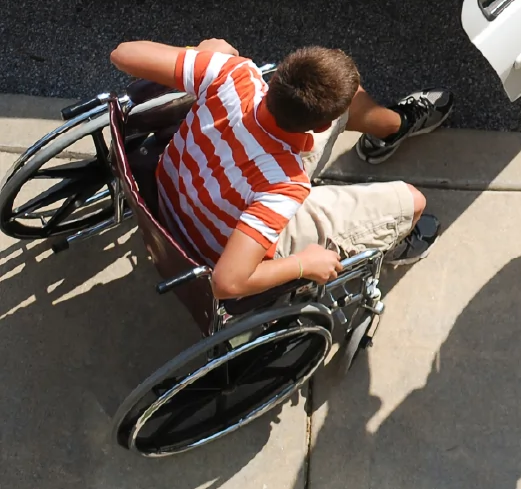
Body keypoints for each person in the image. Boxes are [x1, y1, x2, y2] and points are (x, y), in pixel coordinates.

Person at [109, 37, 454, 298]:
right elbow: (227, 283)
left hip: (173, 198)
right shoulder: (283, 186)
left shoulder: (231, 74)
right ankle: (391, 224)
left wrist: (203, 54)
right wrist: (304, 264)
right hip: (215, 248)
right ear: (319, 128)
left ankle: (391, 126)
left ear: (276, 78)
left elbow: (122, 54)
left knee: (343, 97)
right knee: (413, 201)